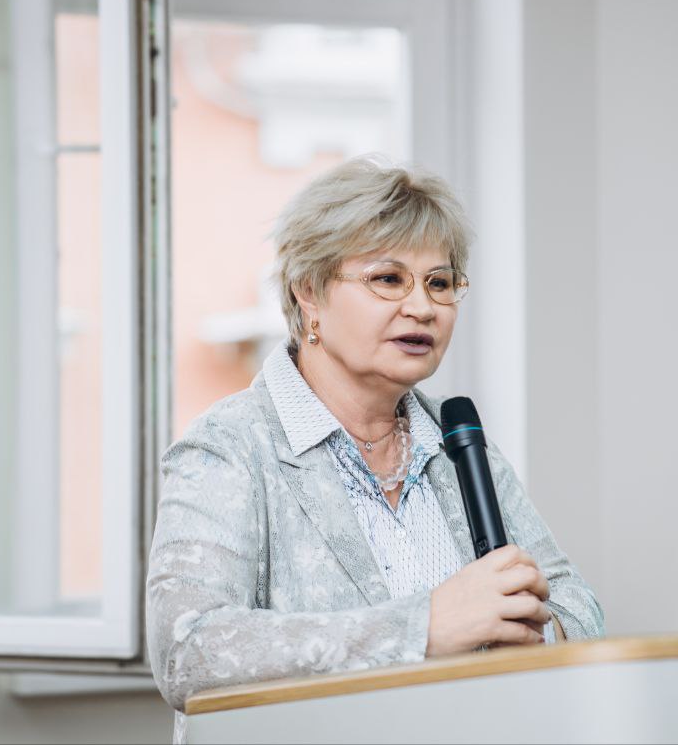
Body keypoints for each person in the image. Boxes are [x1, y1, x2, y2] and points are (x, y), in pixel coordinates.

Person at [146, 155, 604, 721]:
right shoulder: (230, 447)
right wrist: (424, 628)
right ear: (309, 292)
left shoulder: (454, 441)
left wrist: (538, 630)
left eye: (439, 283)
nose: (423, 307)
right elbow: (188, 652)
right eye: (388, 279)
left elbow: (577, 606)